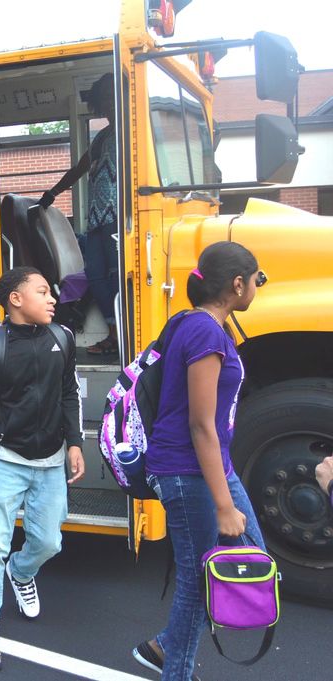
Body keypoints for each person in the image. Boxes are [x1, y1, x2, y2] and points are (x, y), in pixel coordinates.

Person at [132, 241, 267, 681]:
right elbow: (200, 425)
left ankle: (164, 646)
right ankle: (177, 670)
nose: (257, 288)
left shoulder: (199, 324)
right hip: (185, 471)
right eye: (257, 280)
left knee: (254, 556)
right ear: (237, 284)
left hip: (211, 466)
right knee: (198, 581)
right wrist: (224, 505)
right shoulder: (205, 331)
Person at [0, 266, 85, 672]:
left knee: (49, 541)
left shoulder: (63, 338)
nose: (53, 299)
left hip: (50, 460)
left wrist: (76, 444)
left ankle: (22, 571)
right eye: (43, 291)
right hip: (4, 459)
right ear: (15, 299)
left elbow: (70, 392)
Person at [39, 73, 118, 355]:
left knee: (116, 276)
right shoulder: (103, 137)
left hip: (119, 217)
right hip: (97, 217)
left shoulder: (132, 131)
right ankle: (112, 332)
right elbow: (79, 170)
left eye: (113, 95)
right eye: (104, 99)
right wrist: (52, 194)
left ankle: (122, 336)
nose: (109, 103)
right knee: (96, 275)